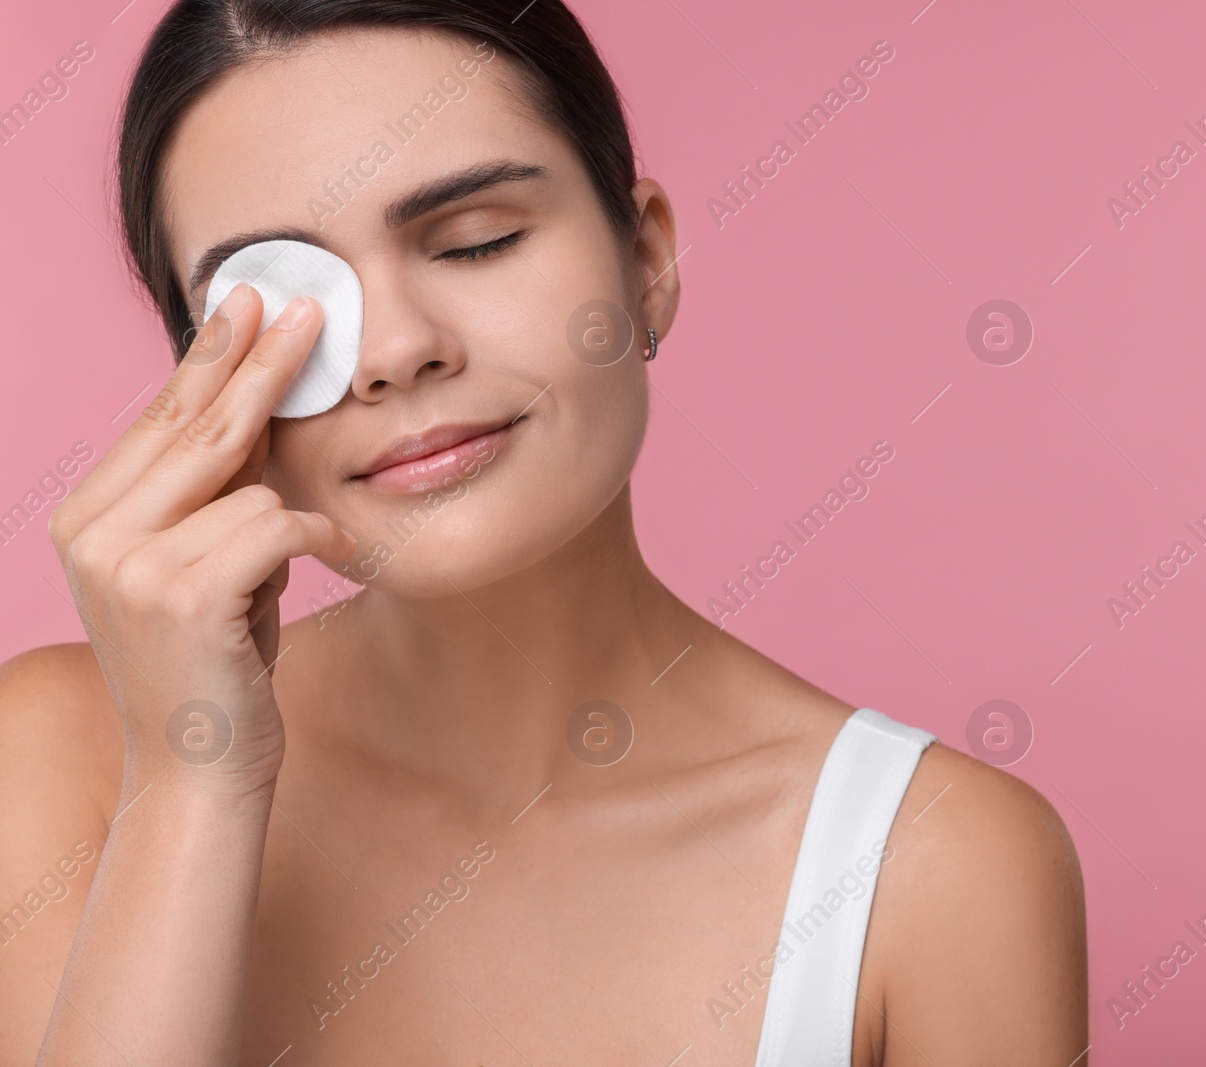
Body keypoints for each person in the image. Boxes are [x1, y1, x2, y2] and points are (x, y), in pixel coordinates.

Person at [0, 1, 1087, 1062]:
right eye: (288, 304)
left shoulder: (932, 865)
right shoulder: (62, 760)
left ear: (647, 261)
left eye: (477, 242)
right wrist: (195, 785)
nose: (394, 349)